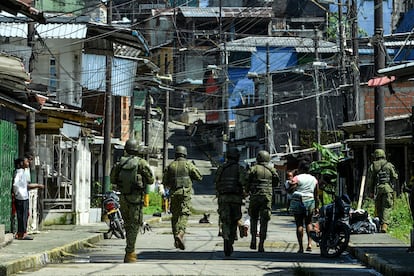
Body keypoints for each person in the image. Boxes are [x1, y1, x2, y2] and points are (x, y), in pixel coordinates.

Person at [110, 138, 154, 263]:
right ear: (137, 150)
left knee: (128, 224)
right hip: (136, 199)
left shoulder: (120, 163)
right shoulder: (141, 163)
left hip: (123, 198)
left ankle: (129, 249)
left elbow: (113, 179)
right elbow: (151, 180)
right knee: (135, 225)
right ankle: (130, 252)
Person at [162, 145, 202, 250]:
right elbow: (199, 177)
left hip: (174, 194)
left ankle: (176, 236)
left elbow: (164, 182)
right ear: (185, 154)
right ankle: (181, 233)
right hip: (185, 194)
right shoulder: (188, 165)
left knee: (175, 216)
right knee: (184, 213)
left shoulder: (170, 166)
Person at [214, 147, 247, 256]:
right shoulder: (239, 168)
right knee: (234, 220)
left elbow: (216, 182)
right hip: (236, 199)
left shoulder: (221, 168)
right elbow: (243, 182)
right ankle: (231, 240)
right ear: (237, 157)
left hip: (223, 199)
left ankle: (226, 237)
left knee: (225, 220)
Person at [246, 150, 279, 252]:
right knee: (264, 220)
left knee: (253, 218)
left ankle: (253, 239)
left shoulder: (253, 169)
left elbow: (247, 180)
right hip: (267, 198)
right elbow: (276, 182)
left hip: (255, 196)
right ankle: (261, 243)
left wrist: (247, 190)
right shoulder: (272, 170)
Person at [289, 159, 319, 253]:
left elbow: (291, 188)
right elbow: (316, 194)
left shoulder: (297, 178)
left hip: (298, 200)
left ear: (300, 168)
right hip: (310, 201)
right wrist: (317, 206)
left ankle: (301, 247)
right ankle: (309, 244)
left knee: (299, 224)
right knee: (309, 223)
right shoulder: (314, 179)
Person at [366, 148, 398, 233]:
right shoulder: (389, 165)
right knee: (386, 207)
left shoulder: (373, 166)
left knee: (378, 207)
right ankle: (384, 225)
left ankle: (379, 224)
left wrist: (371, 192)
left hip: (378, 190)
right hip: (388, 189)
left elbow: (370, 181)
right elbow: (395, 176)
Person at [12, 157, 44, 240]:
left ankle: (22, 233)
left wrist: (37, 185)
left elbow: (25, 185)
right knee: (22, 216)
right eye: (26, 161)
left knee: (24, 215)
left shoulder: (22, 172)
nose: (28, 163)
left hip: (24, 196)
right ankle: (21, 234)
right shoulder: (19, 173)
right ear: (22, 163)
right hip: (21, 197)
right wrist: (17, 194)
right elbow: (15, 185)